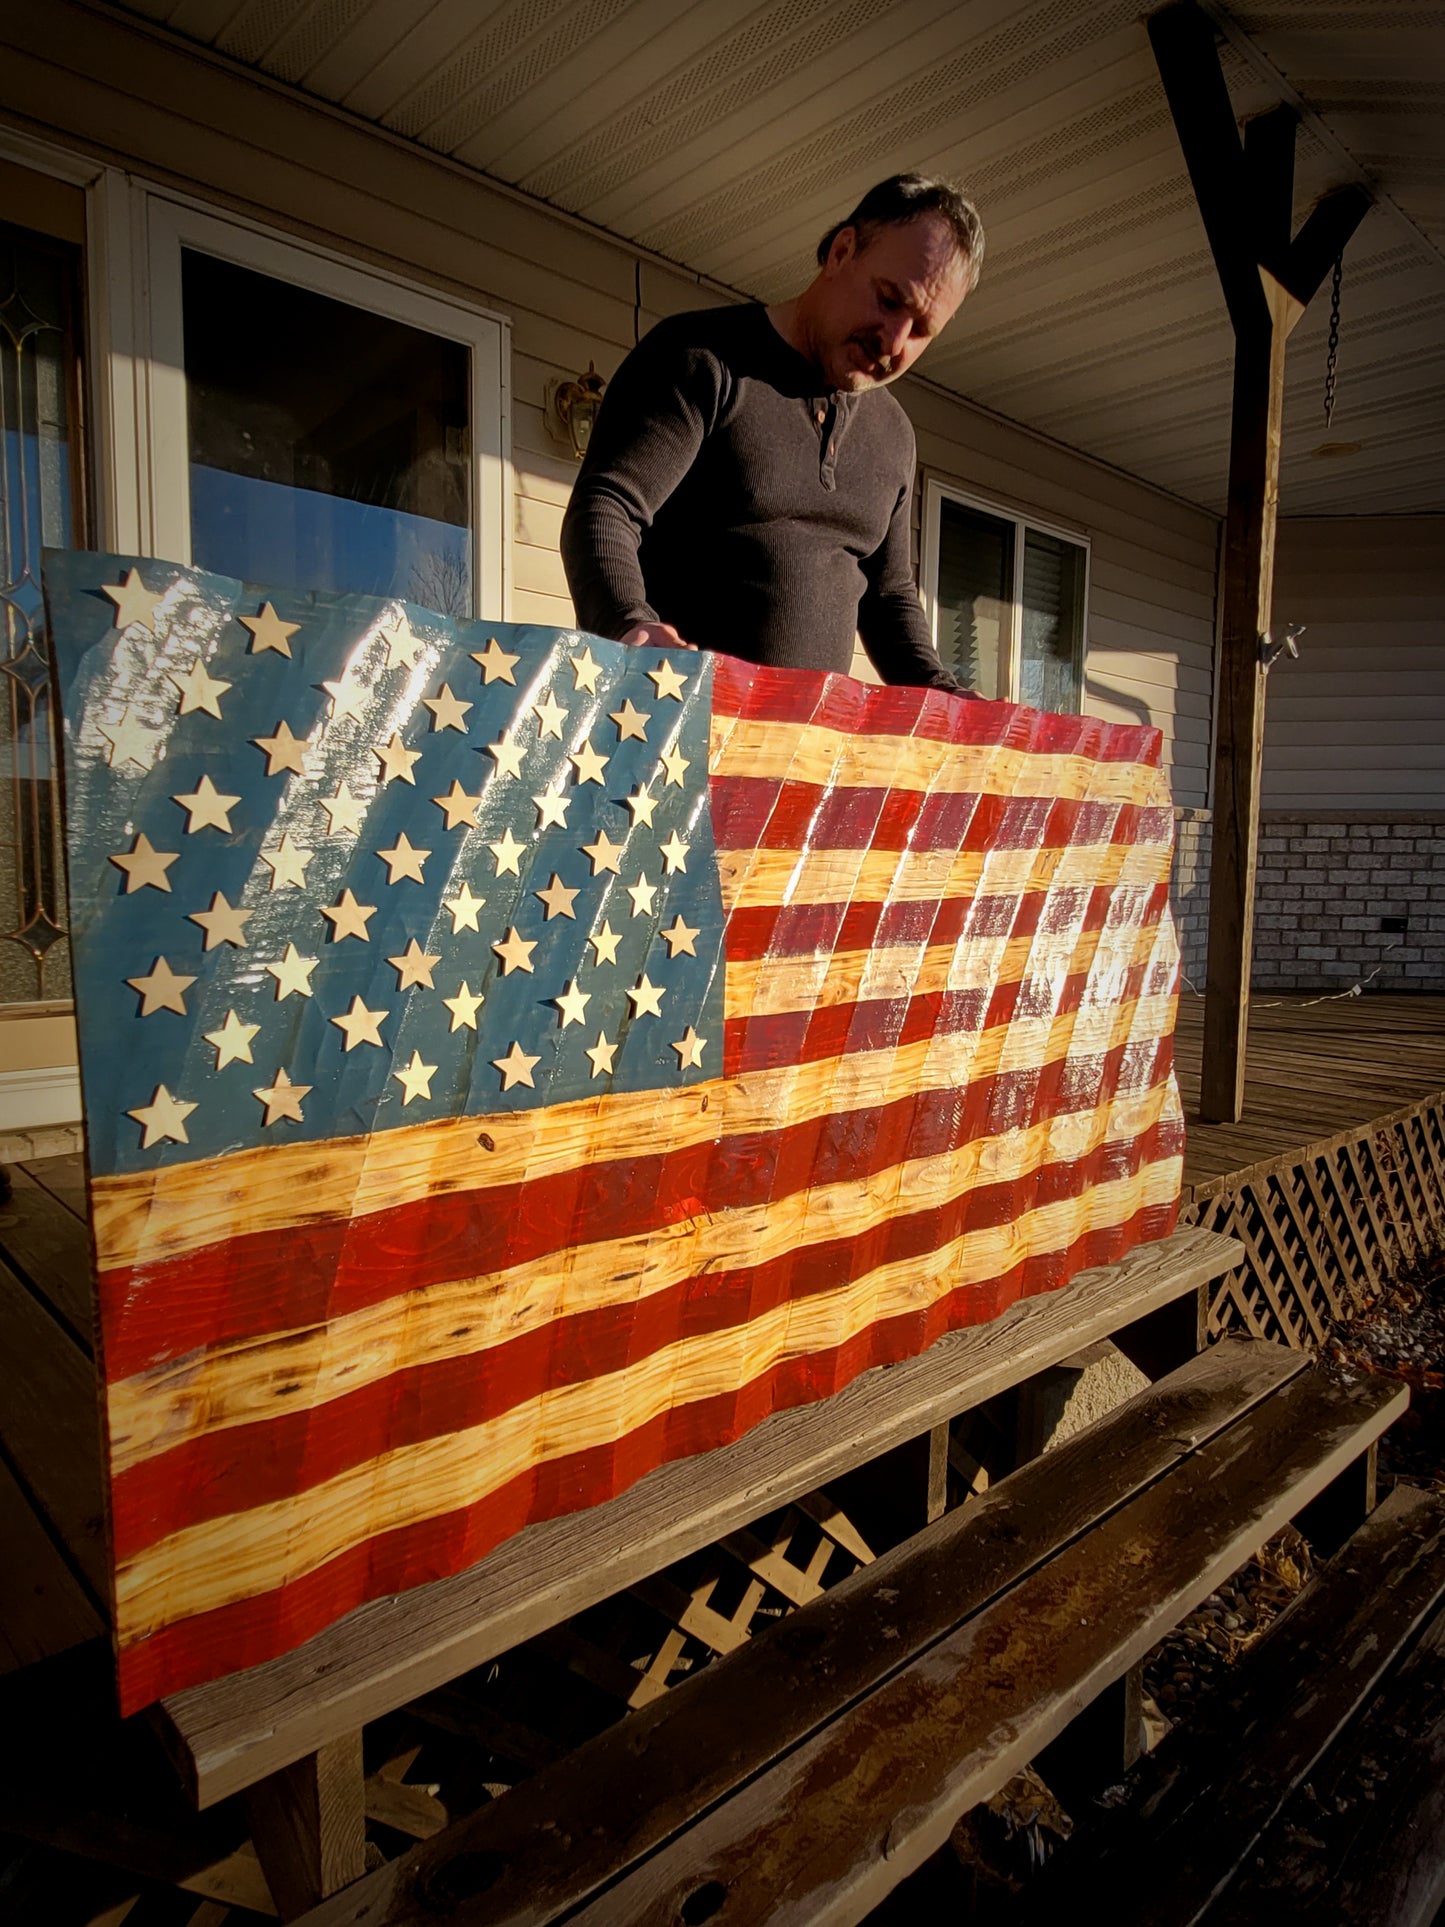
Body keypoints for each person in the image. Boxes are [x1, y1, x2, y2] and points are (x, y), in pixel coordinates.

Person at [560, 173, 983, 693]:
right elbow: (606, 507)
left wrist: (949, 700)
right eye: (890, 300)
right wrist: (631, 627)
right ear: (842, 252)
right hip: (670, 731)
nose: (894, 340)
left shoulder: (894, 435)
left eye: (921, 330)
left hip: (800, 755)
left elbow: (888, 597)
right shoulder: (702, 360)